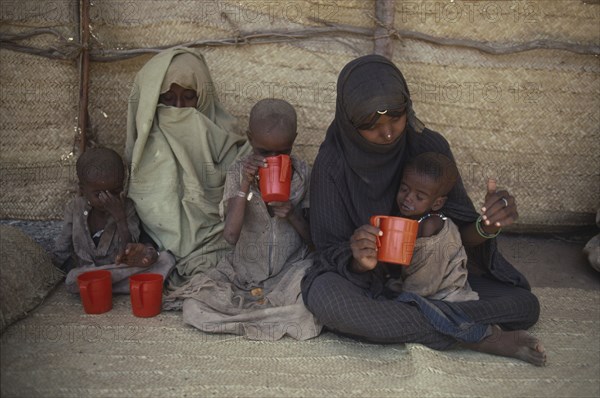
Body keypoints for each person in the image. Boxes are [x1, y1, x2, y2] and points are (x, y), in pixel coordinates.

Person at [301, 54, 546, 366]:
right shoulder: (332, 163)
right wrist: (358, 260)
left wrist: (488, 226)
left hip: (432, 277)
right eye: (372, 127)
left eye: (396, 118)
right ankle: (481, 335)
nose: (389, 133)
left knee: (525, 305)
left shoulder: (428, 147)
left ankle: (407, 319)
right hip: (366, 283)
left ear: (408, 107)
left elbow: (458, 237)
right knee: (329, 300)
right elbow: (327, 250)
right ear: (350, 124)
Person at [180, 98, 322, 340]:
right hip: (243, 273)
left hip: (288, 272)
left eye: (283, 152)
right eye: (264, 152)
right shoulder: (238, 172)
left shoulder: (302, 175)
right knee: (193, 307)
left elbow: (313, 240)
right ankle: (266, 319)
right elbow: (231, 235)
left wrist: (292, 215)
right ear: (250, 138)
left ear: (294, 140)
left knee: (311, 303)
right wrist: (245, 184)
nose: (272, 159)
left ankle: (248, 318)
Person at [125, 47, 250, 296]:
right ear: (151, 101)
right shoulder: (142, 153)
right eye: (168, 100)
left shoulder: (232, 145)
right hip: (159, 255)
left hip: (220, 251)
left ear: (203, 96)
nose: (179, 108)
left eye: (190, 97)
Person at [53, 147, 176, 294]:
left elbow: (128, 252)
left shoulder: (126, 207)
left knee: (165, 260)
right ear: (82, 189)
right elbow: (62, 247)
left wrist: (120, 218)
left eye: (115, 192)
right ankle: (118, 286)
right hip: (87, 274)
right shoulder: (74, 208)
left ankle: (104, 288)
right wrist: (50, 271)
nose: (108, 199)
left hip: (119, 270)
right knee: (73, 278)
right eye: (98, 194)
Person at [385, 152, 479, 302]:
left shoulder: (431, 225)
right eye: (404, 189)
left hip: (446, 293)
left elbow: (425, 281)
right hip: (416, 284)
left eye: (419, 197)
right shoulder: (405, 219)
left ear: (437, 203)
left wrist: (406, 299)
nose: (408, 197)